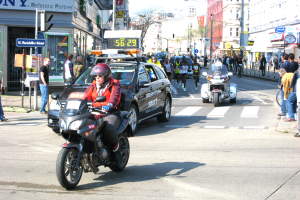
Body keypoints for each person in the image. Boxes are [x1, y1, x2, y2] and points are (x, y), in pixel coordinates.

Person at [84, 63, 121, 152]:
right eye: (96, 76)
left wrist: (109, 105)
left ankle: (115, 146)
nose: (97, 78)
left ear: (106, 76)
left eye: (100, 76)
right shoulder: (93, 86)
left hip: (110, 112)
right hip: (95, 111)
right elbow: (84, 96)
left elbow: (114, 98)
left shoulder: (114, 84)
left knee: (108, 127)